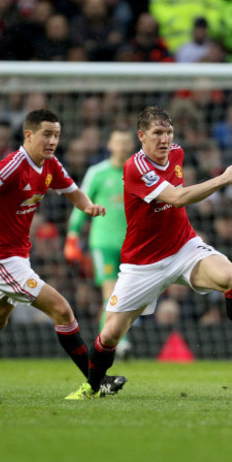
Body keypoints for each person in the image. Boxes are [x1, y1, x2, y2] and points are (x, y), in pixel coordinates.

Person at [65, 105, 232, 399]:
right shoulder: (135, 167)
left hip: (184, 248)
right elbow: (177, 198)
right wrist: (223, 178)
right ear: (141, 136)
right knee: (111, 334)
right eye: (157, 133)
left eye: (168, 132)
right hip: (143, 264)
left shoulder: (176, 153)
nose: (164, 139)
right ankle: (91, 387)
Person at [0, 109, 126, 398]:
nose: (53, 140)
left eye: (56, 134)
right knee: (62, 310)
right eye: (46, 134)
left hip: (18, 256)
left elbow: (73, 191)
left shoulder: (50, 164)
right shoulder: (13, 166)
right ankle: (97, 380)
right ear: (28, 135)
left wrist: (88, 206)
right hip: (0, 259)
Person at [64, 129, 135, 359]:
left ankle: (112, 339)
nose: (123, 146)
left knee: (127, 296)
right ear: (110, 145)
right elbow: (81, 203)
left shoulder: (138, 172)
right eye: (119, 142)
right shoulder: (98, 173)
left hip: (132, 244)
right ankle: (116, 342)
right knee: (111, 294)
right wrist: (73, 237)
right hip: (103, 243)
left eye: (126, 142)